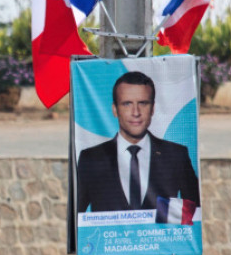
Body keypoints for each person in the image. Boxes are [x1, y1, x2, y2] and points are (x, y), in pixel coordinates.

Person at [76, 71, 200, 214]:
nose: (136, 112)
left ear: (152, 108)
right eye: (127, 104)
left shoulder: (176, 155)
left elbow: (195, 213)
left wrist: (158, 215)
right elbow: (76, 217)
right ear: (115, 110)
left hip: (158, 236)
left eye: (143, 103)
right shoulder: (91, 159)